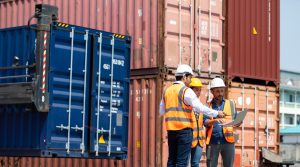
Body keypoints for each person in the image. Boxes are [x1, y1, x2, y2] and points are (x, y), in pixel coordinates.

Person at [159, 64, 227, 167]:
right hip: (184, 131)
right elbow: (200, 107)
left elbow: (161, 111)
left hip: (171, 131)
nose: (190, 80)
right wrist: (217, 113)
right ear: (184, 76)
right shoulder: (186, 91)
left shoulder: (167, 91)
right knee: (182, 162)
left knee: (171, 160)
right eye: (190, 77)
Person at [204, 77, 241, 167]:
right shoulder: (207, 105)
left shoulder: (231, 104)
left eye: (222, 91)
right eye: (217, 91)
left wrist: (238, 121)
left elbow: (237, 122)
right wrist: (215, 120)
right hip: (212, 142)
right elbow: (205, 122)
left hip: (228, 142)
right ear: (212, 91)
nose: (220, 93)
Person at [189, 77, 205, 167]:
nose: (198, 92)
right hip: (189, 139)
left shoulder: (200, 105)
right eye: (196, 90)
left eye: (200, 90)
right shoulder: (187, 104)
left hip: (199, 140)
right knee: (185, 163)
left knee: (195, 164)